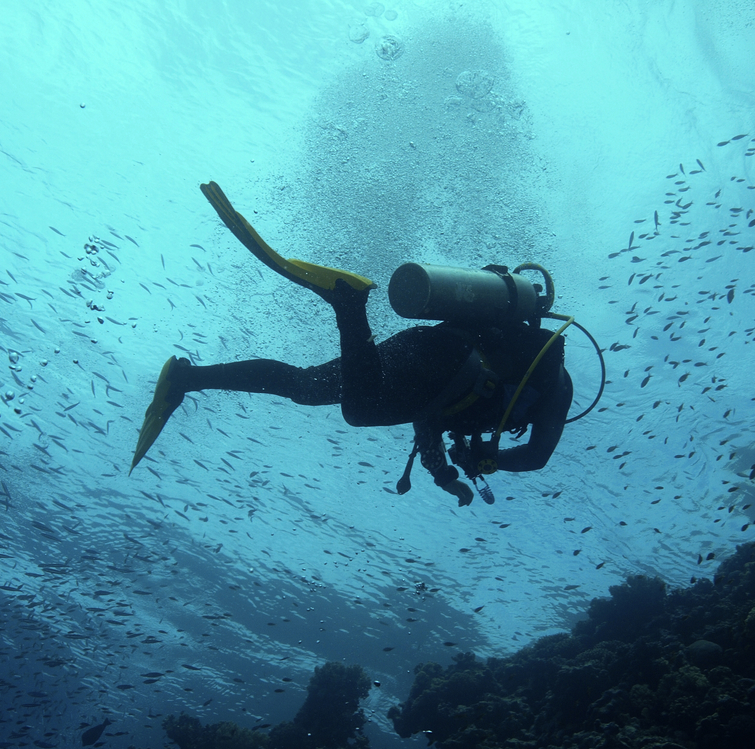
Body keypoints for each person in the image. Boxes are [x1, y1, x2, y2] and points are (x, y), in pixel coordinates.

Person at [130, 183, 574, 506]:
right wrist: (485, 461)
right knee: (360, 410)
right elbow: (535, 457)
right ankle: (348, 300)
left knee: (308, 388)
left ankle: (187, 378)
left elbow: (427, 417)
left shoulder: (507, 362)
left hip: (428, 349)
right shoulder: (554, 382)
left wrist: (446, 478)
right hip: (450, 365)